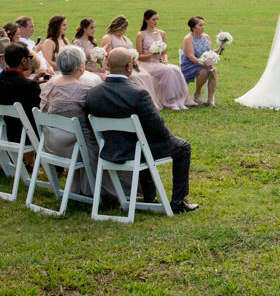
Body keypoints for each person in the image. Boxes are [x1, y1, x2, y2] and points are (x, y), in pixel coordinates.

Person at [85, 48, 199, 214]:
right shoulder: (138, 93)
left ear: (108, 64)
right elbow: (158, 129)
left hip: (108, 148)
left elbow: (90, 124)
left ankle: (149, 196)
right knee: (182, 147)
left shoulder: (93, 93)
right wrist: (169, 138)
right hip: (134, 149)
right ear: (129, 67)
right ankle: (177, 201)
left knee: (144, 142)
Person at [38, 45, 102, 196]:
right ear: (81, 66)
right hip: (77, 148)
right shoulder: (85, 90)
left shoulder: (48, 85)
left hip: (50, 144)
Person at [101, 15, 163, 110]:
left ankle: (151, 101)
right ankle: (144, 104)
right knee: (135, 77)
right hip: (117, 66)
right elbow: (107, 54)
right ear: (118, 26)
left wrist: (133, 59)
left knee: (145, 75)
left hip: (129, 64)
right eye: (123, 28)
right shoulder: (108, 37)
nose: (124, 30)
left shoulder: (124, 37)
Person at [137, 10, 190, 110]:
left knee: (175, 68)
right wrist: (151, 56)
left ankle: (180, 99)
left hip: (159, 63)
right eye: (153, 19)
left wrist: (165, 60)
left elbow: (164, 52)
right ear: (146, 20)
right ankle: (171, 101)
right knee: (169, 70)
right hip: (147, 64)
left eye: (157, 19)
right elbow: (139, 56)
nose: (156, 21)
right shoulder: (141, 34)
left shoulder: (161, 33)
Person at [0, 43, 41, 143]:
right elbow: (35, 113)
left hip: (4, 132)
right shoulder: (29, 86)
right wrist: (32, 83)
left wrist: (31, 82)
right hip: (27, 136)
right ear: (23, 60)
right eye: (29, 58)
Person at [180, 16, 219, 106]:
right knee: (204, 71)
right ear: (193, 28)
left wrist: (220, 49)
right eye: (200, 25)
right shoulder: (188, 38)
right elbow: (190, 56)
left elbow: (211, 52)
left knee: (214, 71)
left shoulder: (206, 37)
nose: (203, 27)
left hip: (205, 63)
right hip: (190, 64)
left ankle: (210, 99)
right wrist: (203, 64)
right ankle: (197, 93)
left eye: (203, 25)